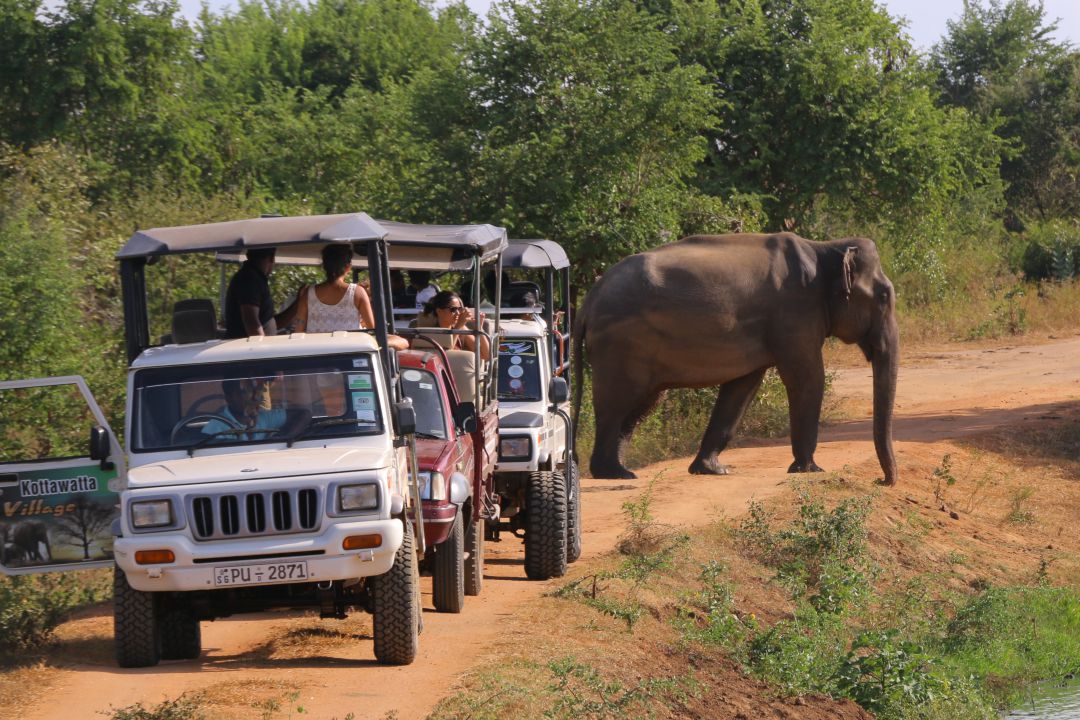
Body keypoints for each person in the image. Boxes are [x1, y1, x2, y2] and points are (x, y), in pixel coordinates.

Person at [291, 244, 409, 349]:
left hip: (316, 354)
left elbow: (299, 331)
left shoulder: (308, 293)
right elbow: (373, 329)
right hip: (349, 353)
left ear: (324, 266)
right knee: (403, 342)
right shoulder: (357, 292)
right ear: (348, 267)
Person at [224, 247, 298, 338]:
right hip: (249, 350)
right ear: (272, 258)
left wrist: (298, 304)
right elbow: (251, 321)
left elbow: (268, 322)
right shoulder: (249, 279)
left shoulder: (256, 279)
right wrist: (261, 349)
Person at [202, 379, 288, 440]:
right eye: (245, 393)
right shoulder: (215, 428)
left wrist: (282, 438)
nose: (255, 398)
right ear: (229, 398)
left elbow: (299, 415)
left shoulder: (263, 416)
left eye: (257, 392)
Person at [422, 290, 491, 360]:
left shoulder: (462, 330)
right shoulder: (430, 332)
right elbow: (444, 356)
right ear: (439, 311)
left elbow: (486, 355)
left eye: (460, 309)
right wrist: (458, 326)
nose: (458, 313)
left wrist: (479, 328)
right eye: (453, 309)